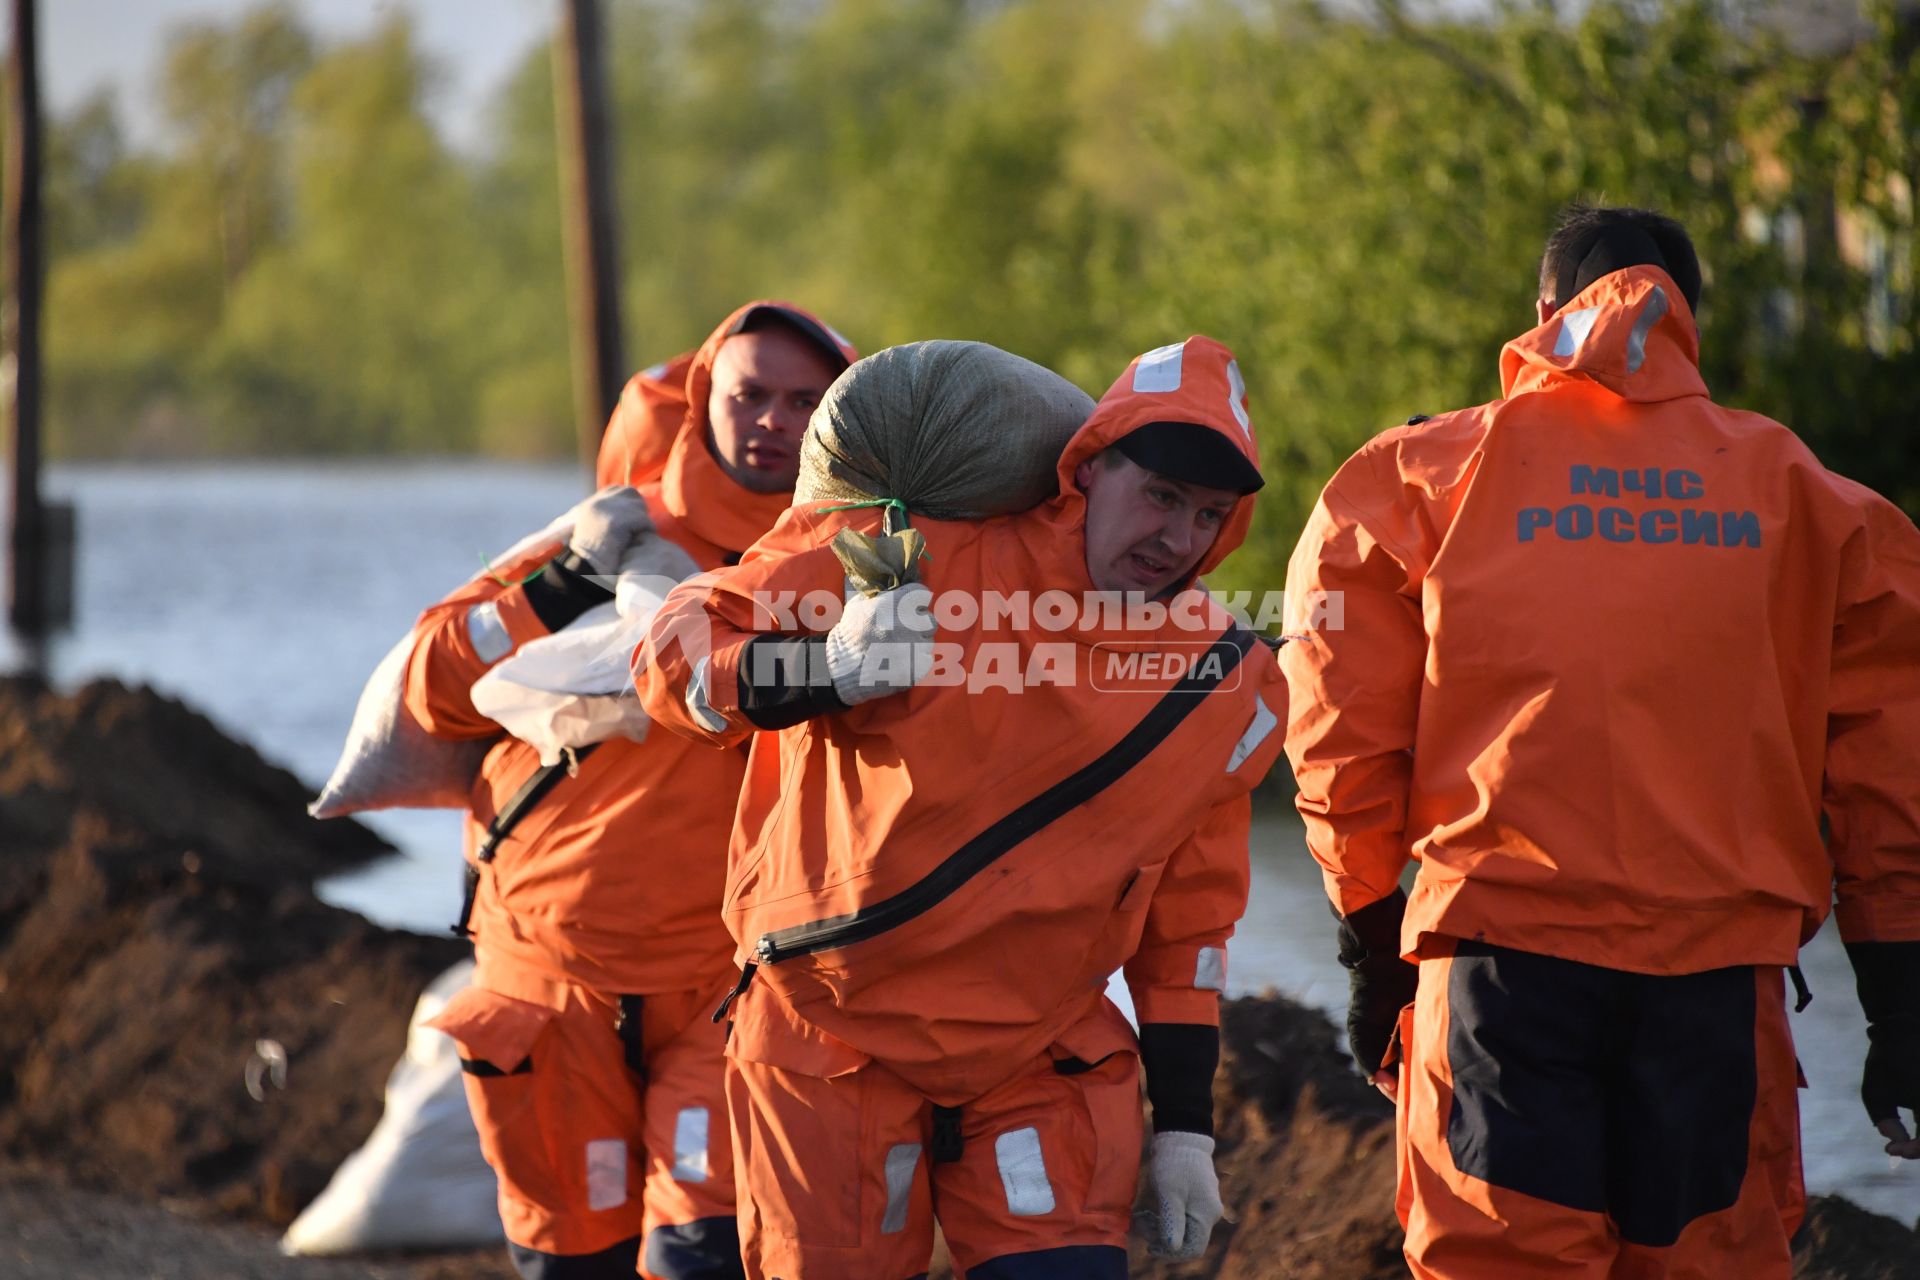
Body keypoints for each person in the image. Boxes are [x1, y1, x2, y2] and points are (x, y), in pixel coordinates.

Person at [1280, 204, 1920, 1279]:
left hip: (1500, 968)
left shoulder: (1417, 476)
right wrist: (1898, 1000)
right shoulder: (1811, 496)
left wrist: (1366, 932)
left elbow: (1335, 719)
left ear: (1542, 314)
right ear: (1689, 323)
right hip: (1718, 984)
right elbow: (1893, 770)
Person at [634, 336, 1287, 1280]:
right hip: (830, 1041)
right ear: (1089, 471)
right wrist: (831, 669)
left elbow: (1191, 917)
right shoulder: (907, 563)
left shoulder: (1227, 681)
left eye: (1208, 516)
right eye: (1159, 496)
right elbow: (677, 650)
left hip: (1040, 1053)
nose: (1176, 539)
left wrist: (1186, 1127)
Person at [410, 301, 856, 1280]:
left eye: (803, 401)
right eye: (751, 394)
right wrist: (565, 584)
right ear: (705, 399)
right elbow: (431, 691)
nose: (775, 420)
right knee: (577, 1259)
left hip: (728, 977)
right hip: (548, 965)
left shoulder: (859, 577)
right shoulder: (602, 538)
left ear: (836, 420)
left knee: (705, 1251)